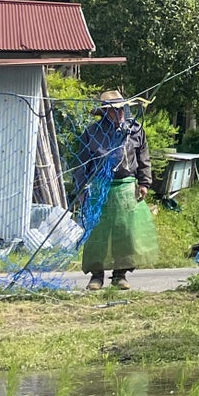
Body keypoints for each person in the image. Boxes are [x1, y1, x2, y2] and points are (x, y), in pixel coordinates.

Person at [76, 90, 158, 290]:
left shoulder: (135, 130)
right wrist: (80, 189)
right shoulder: (92, 132)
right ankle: (96, 276)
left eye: (121, 109)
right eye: (113, 111)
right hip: (99, 187)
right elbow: (81, 162)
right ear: (105, 113)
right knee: (98, 233)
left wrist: (144, 183)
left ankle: (120, 275)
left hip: (126, 187)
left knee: (125, 233)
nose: (119, 114)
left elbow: (143, 157)